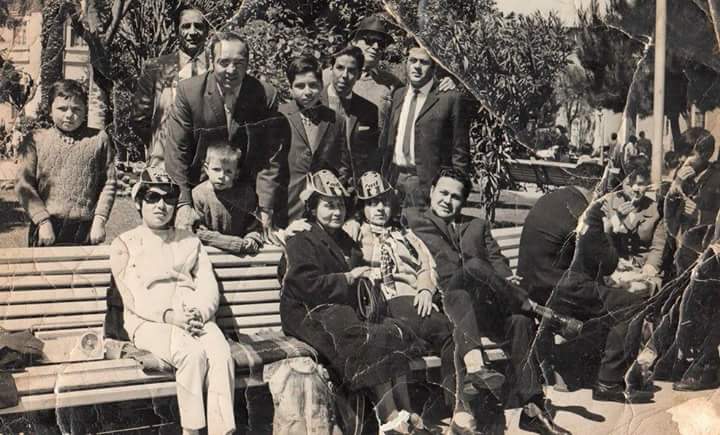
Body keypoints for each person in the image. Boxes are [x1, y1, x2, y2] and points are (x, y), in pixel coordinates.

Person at [406, 168, 570, 435]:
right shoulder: (414, 221)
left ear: (463, 201)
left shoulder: (477, 225)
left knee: (518, 321)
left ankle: (533, 409)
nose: (447, 201)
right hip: (448, 304)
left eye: (456, 197)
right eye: (443, 193)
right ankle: (537, 310)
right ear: (432, 190)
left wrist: (507, 280)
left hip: (485, 305)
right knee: (471, 270)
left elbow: (498, 263)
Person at [344, 171, 506, 433]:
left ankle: (459, 412)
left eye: (384, 202)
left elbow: (426, 266)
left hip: (414, 302)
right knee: (439, 332)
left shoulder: (405, 234)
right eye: (372, 203)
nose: (379, 209)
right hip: (385, 301)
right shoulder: (354, 231)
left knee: (452, 336)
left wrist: (425, 290)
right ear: (362, 206)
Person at [278, 169, 421, 434]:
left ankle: (406, 408)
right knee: (358, 334)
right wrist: (346, 279)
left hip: (337, 310)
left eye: (340, 205)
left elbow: (358, 276)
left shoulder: (343, 238)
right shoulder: (301, 238)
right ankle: (387, 416)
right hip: (307, 311)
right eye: (328, 205)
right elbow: (303, 284)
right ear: (312, 207)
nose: (336, 212)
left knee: (388, 330)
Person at [110, 166, 235, 435]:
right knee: (191, 354)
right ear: (138, 202)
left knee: (221, 354)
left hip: (194, 318)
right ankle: (192, 431)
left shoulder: (189, 241)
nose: (161, 205)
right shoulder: (125, 243)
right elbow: (133, 296)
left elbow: (207, 285)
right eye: (152, 198)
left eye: (168, 199)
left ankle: (222, 431)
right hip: (149, 323)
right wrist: (170, 316)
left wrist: (200, 313)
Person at [164, 31, 282, 238]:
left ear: (247, 63)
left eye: (239, 63)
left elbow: (269, 157)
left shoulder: (265, 95)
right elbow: (177, 152)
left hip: (244, 198)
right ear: (211, 62)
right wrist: (183, 204)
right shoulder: (189, 92)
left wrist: (265, 208)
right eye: (224, 62)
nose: (231, 70)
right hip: (197, 191)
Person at [542, 196, 650, 403]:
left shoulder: (568, 212)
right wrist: (610, 227)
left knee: (617, 302)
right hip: (570, 291)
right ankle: (609, 381)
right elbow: (608, 263)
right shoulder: (591, 218)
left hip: (550, 286)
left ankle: (610, 373)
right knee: (633, 304)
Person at [15, 79, 116, 247]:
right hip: (46, 228)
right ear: (50, 110)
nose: (69, 115)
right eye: (62, 108)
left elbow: (109, 182)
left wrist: (100, 220)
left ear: (85, 111)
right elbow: (23, 185)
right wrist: (42, 221)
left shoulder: (99, 139)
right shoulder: (35, 140)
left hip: (85, 229)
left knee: (85, 273)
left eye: (76, 109)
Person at [323, 14, 456, 130]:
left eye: (381, 43)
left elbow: (418, 104)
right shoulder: (327, 76)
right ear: (354, 42)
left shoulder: (391, 83)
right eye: (369, 40)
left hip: (371, 156)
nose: (375, 47)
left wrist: (441, 86)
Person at [380, 44, 470, 210]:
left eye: (424, 62)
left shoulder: (449, 99)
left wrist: (456, 189)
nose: (417, 66)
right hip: (393, 179)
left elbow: (460, 151)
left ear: (434, 67)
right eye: (412, 60)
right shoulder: (398, 94)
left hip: (425, 184)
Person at [276, 54, 352, 227]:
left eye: (313, 85)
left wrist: (337, 203)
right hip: (288, 205)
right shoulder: (279, 115)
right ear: (290, 88)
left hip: (323, 209)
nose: (307, 91)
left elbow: (343, 167)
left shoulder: (336, 119)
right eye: (300, 86)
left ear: (321, 86)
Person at [517, 160, 604, 305]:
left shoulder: (548, 198)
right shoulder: (584, 211)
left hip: (530, 286)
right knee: (624, 301)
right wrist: (610, 227)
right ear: (597, 188)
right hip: (554, 294)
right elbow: (604, 262)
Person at [132, 5, 210, 165]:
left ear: (207, 31)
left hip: (209, 165)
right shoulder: (155, 68)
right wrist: (159, 145)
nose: (193, 32)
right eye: (186, 26)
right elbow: (139, 118)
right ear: (176, 31)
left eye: (199, 26)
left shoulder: (218, 68)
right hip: (165, 162)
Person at [603, 158, 666, 291]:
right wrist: (617, 218)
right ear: (622, 183)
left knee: (635, 290)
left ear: (648, 185)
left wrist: (650, 268)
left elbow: (658, 246)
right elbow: (603, 235)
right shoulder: (610, 201)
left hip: (644, 269)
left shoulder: (655, 208)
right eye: (630, 184)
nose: (635, 188)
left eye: (640, 184)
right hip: (615, 265)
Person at [192, 144, 264, 255]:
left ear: (236, 173)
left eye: (228, 171)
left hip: (242, 254)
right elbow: (199, 232)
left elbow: (254, 225)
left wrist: (252, 239)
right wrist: (233, 243)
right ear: (206, 169)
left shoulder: (245, 193)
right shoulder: (199, 194)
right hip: (210, 253)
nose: (221, 176)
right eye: (216, 169)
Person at [321, 46, 381, 177]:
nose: (344, 76)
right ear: (331, 69)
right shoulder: (314, 103)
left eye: (352, 71)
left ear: (359, 75)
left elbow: (370, 157)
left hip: (352, 189)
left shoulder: (369, 110)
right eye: (340, 68)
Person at [664, 127, 720, 240]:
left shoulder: (717, 178)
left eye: (689, 154)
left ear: (706, 154)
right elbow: (668, 217)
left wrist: (700, 215)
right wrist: (674, 189)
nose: (682, 158)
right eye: (681, 154)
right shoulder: (681, 175)